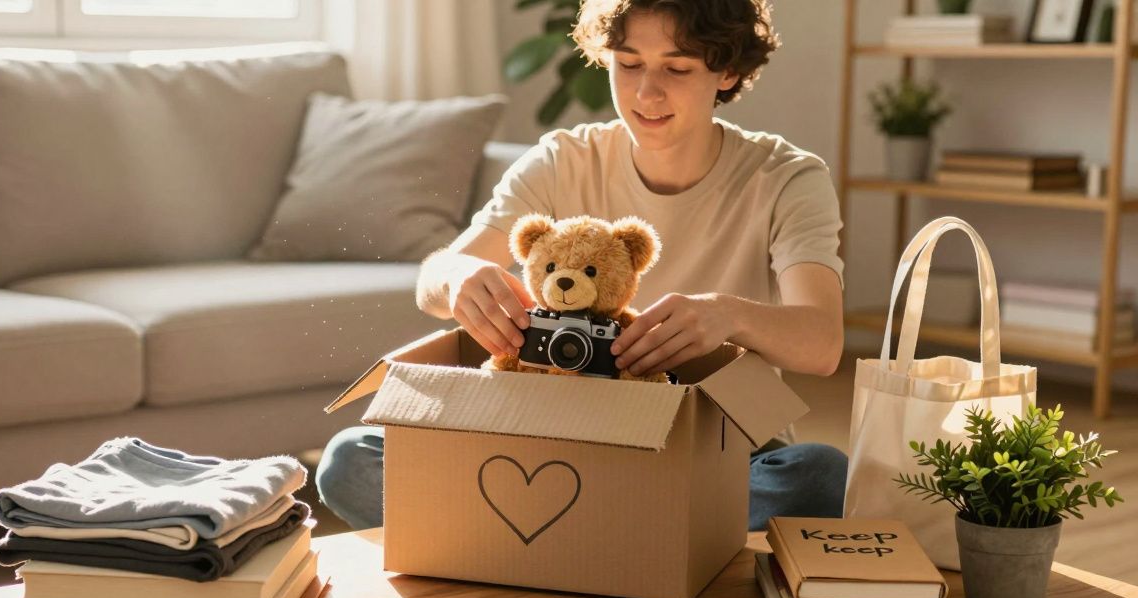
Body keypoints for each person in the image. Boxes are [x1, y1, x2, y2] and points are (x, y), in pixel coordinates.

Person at [317, 0, 847, 532]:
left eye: (678, 68)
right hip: (551, 439)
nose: (646, 92)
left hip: (707, 445)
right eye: (629, 62)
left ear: (727, 70)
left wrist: (728, 316)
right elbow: (436, 278)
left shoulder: (785, 178)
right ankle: (631, 537)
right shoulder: (561, 159)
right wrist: (457, 278)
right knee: (349, 459)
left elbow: (822, 343)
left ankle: (549, 537)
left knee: (820, 475)